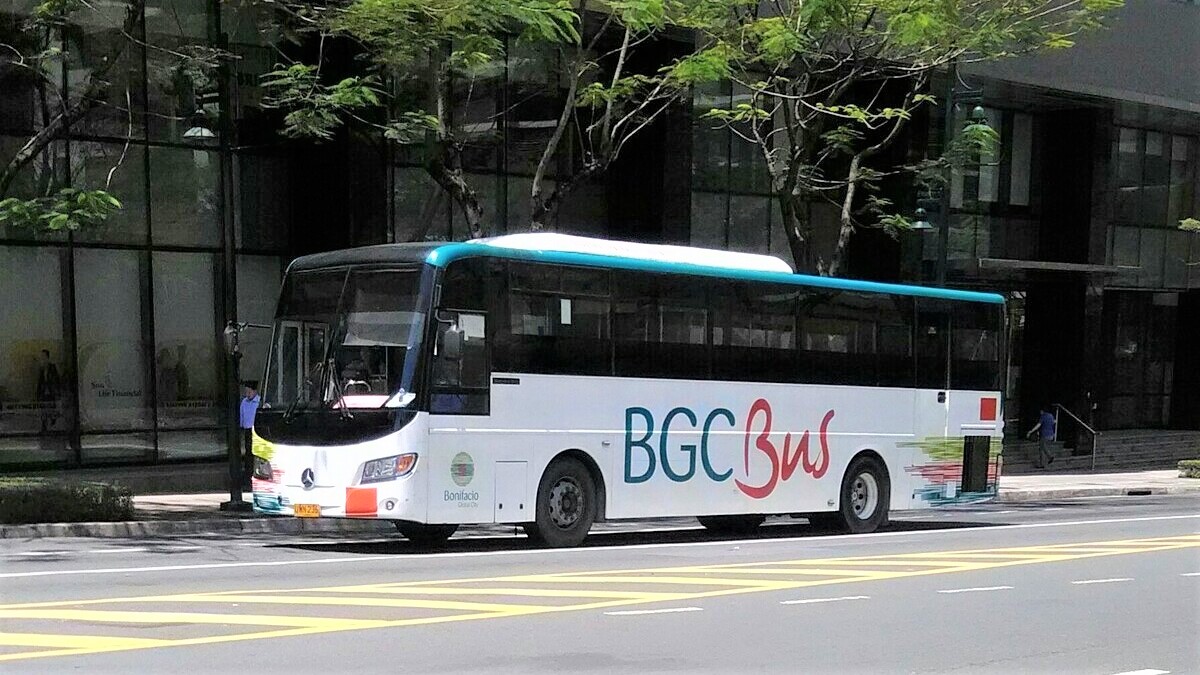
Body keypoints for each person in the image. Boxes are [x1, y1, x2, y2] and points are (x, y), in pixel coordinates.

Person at [239, 381, 261, 487]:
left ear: (254, 391)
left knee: (257, 454)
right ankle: (248, 477)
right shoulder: (244, 402)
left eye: (249, 391)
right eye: (246, 391)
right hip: (247, 430)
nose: (247, 394)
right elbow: (241, 416)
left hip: (257, 430)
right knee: (248, 454)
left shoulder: (259, 402)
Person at [35, 350, 61, 432]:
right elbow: (40, 381)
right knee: (44, 409)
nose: (42, 358)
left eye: (44, 356)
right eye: (41, 356)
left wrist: (57, 390)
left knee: (51, 408)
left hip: (51, 391)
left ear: (47, 357)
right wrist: (38, 392)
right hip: (44, 392)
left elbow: (56, 379)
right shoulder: (42, 369)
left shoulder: (52, 367)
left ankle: (52, 421)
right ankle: (44, 426)